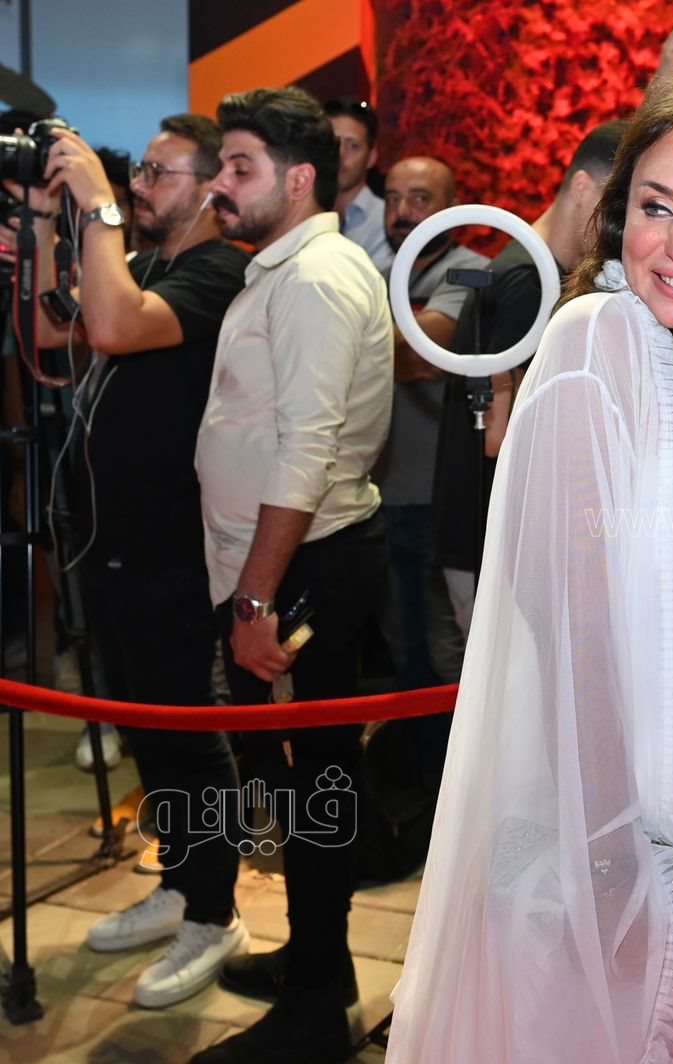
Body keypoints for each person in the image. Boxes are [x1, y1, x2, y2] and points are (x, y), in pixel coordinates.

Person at [388, 73, 673, 1063]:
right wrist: (613, 856)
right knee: (619, 1032)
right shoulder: (598, 346)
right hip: (629, 833)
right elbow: (569, 618)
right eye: (655, 208)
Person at [20, 113, 250, 1007]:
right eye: (141, 171)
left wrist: (101, 207)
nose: (143, 184)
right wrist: (52, 220)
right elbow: (54, 336)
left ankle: (216, 912)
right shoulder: (148, 266)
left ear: (210, 189)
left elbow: (112, 329)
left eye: (160, 172)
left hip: (174, 543)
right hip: (109, 541)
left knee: (186, 731)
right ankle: (181, 883)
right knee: (145, 729)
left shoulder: (220, 272)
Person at [191, 86, 392, 1064]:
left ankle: (316, 1008)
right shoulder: (283, 268)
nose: (221, 185)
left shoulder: (314, 276)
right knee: (298, 783)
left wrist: (256, 598)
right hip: (280, 565)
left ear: (300, 177)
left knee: (317, 788)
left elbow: (307, 450)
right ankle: (321, 961)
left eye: (241, 167)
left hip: (301, 569)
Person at [430, 120, 625, 634]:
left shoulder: (533, 273)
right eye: (618, 206)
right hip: (491, 540)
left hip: (498, 534)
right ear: (582, 187)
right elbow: (498, 434)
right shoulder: (528, 282)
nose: (623, 226)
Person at [374, 155, 484, 689]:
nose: (402, 212)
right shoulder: (376, 274)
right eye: (393, 198)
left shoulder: (473, 271)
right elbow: (407, 353)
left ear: (452, 208)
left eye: (420, 199)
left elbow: (427, 342)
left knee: (450, 652)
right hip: (378, 494)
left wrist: (363, 350)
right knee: (400, 647)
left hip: (438, 496)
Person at [323, 97, 391, 271]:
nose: (340, 154)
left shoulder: (386, 220)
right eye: (332, 143)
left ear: (371, 157)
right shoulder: (300, 214)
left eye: (353, 146)